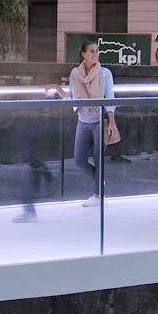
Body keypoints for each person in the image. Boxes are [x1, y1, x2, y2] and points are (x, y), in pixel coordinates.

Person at [60, 40, 117, 207]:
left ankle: (98, 195)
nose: (95, 54)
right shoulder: (75, 73)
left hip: (100, 120)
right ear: (83, 54)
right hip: (83, 120)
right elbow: (71, 96)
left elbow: (110, 98)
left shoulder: (105, 73)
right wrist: (57, 89)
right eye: (91, 51)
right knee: (79, 159)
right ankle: (100, 182)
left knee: (98, 159)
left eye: (97, 51)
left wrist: (111, 123)